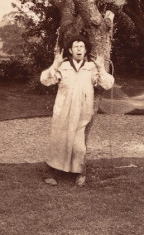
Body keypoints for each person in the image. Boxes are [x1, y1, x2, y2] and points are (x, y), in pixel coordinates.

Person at [40, 35, 114, 186]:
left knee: (78, 144)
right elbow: (45, 80)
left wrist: (100, 68)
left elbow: (107, 84)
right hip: (63, 110)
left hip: (82, 111)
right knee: (58, 140)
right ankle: (49, 172)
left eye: (82, 47)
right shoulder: (63, 66)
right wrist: (55, 64)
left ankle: (80, 172)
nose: (79, 49)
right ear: (70, 50)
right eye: (76, 47)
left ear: (86, 51)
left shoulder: (91, 68)